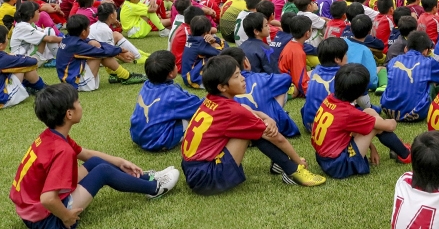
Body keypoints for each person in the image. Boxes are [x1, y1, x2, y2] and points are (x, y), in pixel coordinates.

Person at [10, 84, 180, 229]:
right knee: (103, 171)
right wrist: (66, 216)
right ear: (69, 114)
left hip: (30, 211)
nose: (80, 105)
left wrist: (120, 162)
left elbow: (87, 154)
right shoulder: (62, 150)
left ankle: (147, 178)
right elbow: (47, 199)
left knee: (96, 162)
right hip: (47, 220)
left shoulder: (50, 136)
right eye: (78, 102)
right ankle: (154, 188)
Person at [181, 55, 326, 194]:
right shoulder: (232, 111)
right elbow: (278, 139)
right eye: (237, 76)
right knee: (254, 131)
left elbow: (245, 109)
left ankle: (279, 164)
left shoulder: (211, 99)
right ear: (222, 87)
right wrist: (297, 161)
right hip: (207, 178)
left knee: (251, 124)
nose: (244, 78)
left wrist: (265, 117)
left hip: (192, 170)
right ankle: (293, 170)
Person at [311, 63, 411, 179]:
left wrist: (372, 147)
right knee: (377, 124)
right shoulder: (348, 113)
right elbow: (389, 126)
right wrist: (392, 120)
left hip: (324, 158)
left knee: (369, 112)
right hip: (338, 165)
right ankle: (405, 154)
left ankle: (398, 149)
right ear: (360, 93)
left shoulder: (330, 99)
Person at [130, 50, 202, 151]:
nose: (177, 67)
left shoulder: (146, 85)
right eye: (175, 65)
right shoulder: (172, 93)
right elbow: (199, 107)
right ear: (171, 74)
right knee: (198, 118)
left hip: (136, 136)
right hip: (157, 142)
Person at [222, 47, 299, 137]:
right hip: (269, 128)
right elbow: (286, 79)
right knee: (278, 88)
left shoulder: (221, 88)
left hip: (239, 132)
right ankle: (276, 116)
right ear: (245, 62)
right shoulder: (260, 78)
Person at [56, 14, 144, 89]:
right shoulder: (76, 45)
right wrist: (120, 50)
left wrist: (119, 50)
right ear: (83, 32)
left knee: (96, 45)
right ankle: (126, 76)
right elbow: (102, 51)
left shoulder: (69, 38)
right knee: (100, 53)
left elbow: (100, 44)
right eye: (88, 28)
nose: (89, 30)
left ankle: (116, 74)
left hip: (70, 79)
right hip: (75, 84)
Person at [382, 31, 439, 122]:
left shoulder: (393, 61)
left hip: (388, 109)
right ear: (426, 51)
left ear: (406, 48)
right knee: (435, 81)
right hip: (417, 113)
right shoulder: (428, 62)